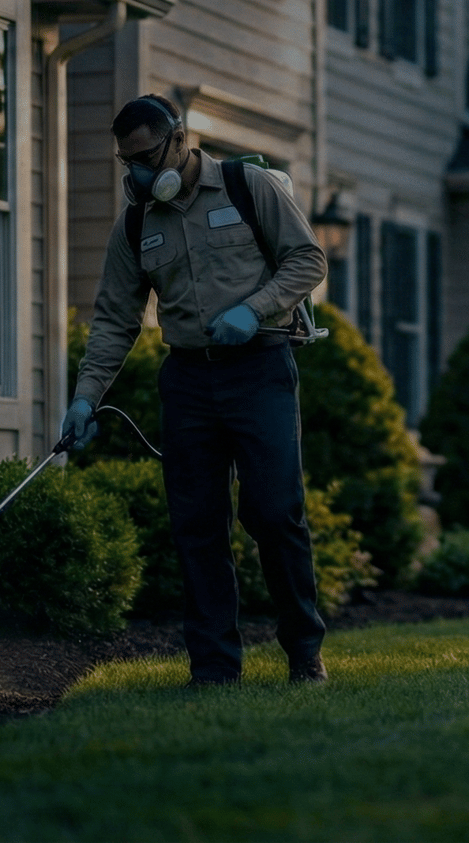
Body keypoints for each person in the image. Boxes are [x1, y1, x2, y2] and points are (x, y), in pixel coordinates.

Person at [63, 94, 329, 685]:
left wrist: (254, 310)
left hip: (260, 367)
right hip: (187, 380)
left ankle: (304, 653)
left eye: (145, 156)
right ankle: (213, 669)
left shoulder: (248, 186)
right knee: (197, 524)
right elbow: (113, 319)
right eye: (125, 161)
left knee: (274, 512)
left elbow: (308, 259)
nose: (136, 172)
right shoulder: (135, 223)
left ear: (178, 141)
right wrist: (86, 396)